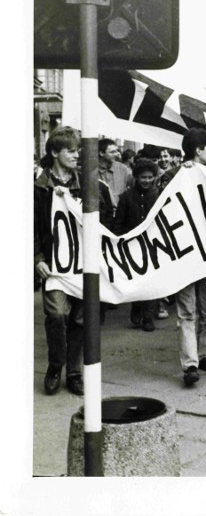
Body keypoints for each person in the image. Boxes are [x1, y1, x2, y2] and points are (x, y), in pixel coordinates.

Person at [160, 128, 206, 388]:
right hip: (185, 254)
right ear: (198, 150)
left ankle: (204, 354)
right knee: (187, 311)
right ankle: (190, 364)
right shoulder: (173, 176)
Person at [34, 127, 87, 396]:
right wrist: (37, 258)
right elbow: (29, 226)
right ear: (55, 152)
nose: (77, 155)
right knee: (56, 315)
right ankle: (56, 365)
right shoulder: (39, 187)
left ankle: (75, 372)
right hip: (54, 266)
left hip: (83, 264)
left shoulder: (87, 184)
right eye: (71, 150)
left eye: (78, 150)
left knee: (79, 318)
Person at [112, 158, 161, 332]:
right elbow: (119, 222)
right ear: (136, 178)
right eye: (143, 177)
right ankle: (136, 306)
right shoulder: (126, 197)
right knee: (136, 279)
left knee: (151, 281)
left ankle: (148, 317)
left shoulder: (159, 196)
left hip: (153, 245)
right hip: (131, 246)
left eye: (150, 177)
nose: (147, 181)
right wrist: (117, 242)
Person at [97, 138, 133, 217]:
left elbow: (134, 186)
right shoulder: (92, 171)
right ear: (101, 153)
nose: (117, 154)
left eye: (117, 151)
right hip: (101, 217)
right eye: (112, 152)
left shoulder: (123, 169)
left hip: (121, 216)